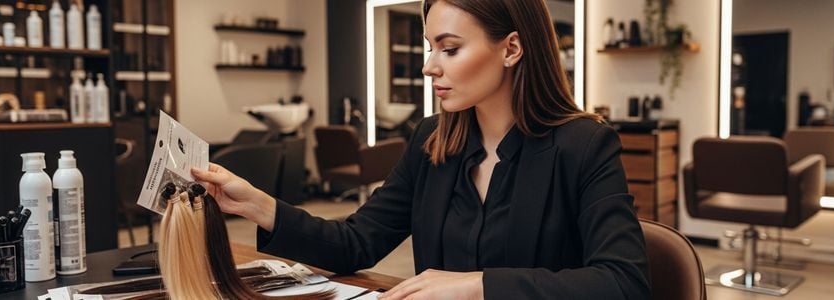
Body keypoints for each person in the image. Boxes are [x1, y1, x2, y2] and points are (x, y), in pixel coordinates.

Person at [192, 0, 651, 299]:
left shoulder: (585, 145)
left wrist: (478, 286)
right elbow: (356, 242)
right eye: (430, 47)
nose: (429, 66)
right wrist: (260, 205)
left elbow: (624, 281)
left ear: (511, 48)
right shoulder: (432, 141)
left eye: (449, 49)